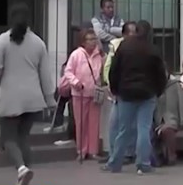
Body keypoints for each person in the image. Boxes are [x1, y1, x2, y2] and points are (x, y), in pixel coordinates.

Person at [0, 3, 56, 185]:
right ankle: (24, 178)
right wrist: (50, 99)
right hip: (33, 98)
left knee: (8, 138)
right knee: (24, 137)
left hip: (10, 97)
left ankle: (21, 169)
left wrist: (0, 76)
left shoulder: (3, 40)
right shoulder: (38, 43)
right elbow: (45, 75)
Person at [104, 20, 168, 175]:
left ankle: (115, 163)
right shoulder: (153, 50)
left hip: (126, 93)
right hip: (147, 94)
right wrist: (158, 91)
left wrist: (115, 89)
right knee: (144, 129)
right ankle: (143, 164)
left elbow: (114, 70)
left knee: (123, 130)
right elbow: (161, 74)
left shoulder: (124, 46)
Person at [62, 28, 105, 160]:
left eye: (94, 39)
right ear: (83, 41)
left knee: (94, 123)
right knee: (81, 123)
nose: (93, 42)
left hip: (94, 93)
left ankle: (93, 151)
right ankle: (81, 150)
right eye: (90, 39)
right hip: (79, 93)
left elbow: (102, 72)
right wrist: (75, 82)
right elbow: (68, 71)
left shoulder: (100, 55)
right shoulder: (76, 54)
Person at [99, 21, 138, 162]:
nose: (134, 35)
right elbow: (109, 67)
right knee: (114, 123)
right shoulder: (116, 46)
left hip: (131, 90)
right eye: (131, 32)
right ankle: (114, 153)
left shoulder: (140, 47)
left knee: (129, 124)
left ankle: (128, 153)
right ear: (124, 34)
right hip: (118, 90)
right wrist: (110, 84)